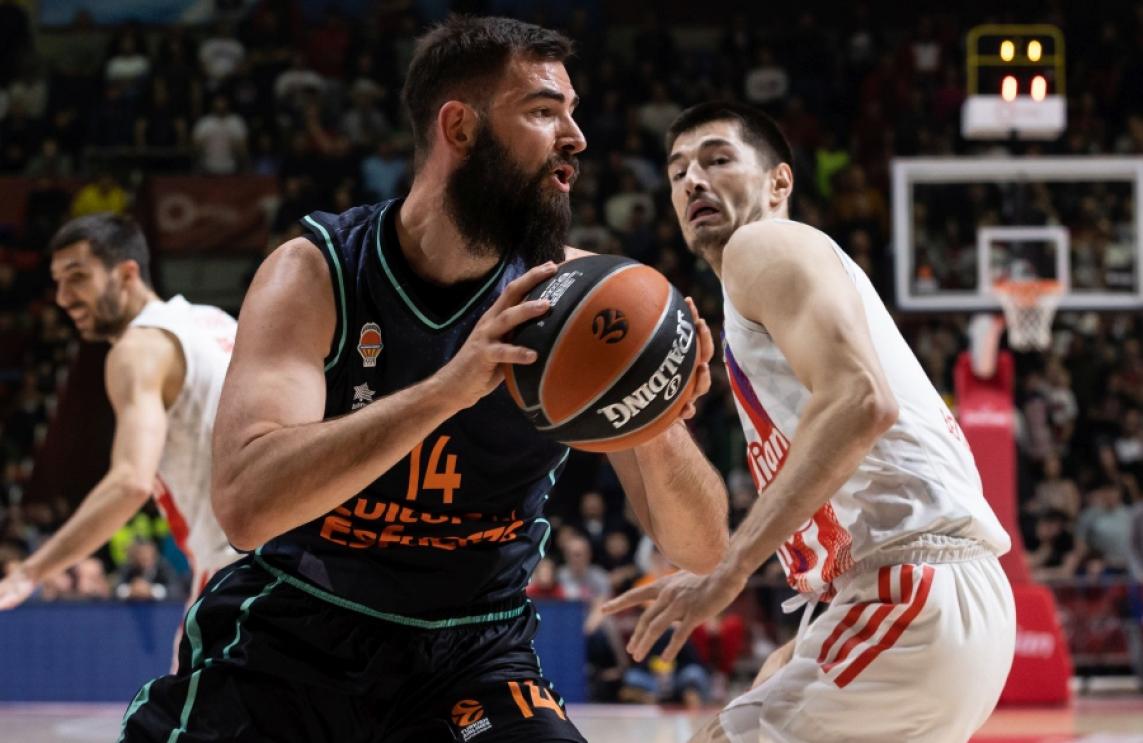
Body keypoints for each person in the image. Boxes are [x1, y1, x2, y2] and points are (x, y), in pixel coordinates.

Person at [120, 16, 728, 743]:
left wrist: (655, 416)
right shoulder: (317, 271)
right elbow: (245, 508)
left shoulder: (583, 302)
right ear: (459, 127)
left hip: (472, 652)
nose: (576, 137)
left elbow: (700, 548)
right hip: (294, 635)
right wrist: (447, 389)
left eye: (572, 112)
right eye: (544, 111)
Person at [603, 101, 1015, 743]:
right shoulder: (768, 291)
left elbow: (861, 401)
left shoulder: (763, 244)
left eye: (717, 159)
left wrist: (731, 569)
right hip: (920, 598)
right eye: (678, 171)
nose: (693, 181)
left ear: (779, 183)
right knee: (747, 704)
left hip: (912, 588)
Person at [0, 214, 239, 624]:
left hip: (238, 567)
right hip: (302, 552)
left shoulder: (136, 348)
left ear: (127, 273)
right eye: (58, 282)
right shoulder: (213, 320)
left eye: (78, 277)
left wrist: (30, 571)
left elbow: (131, 482)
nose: (63, 298)